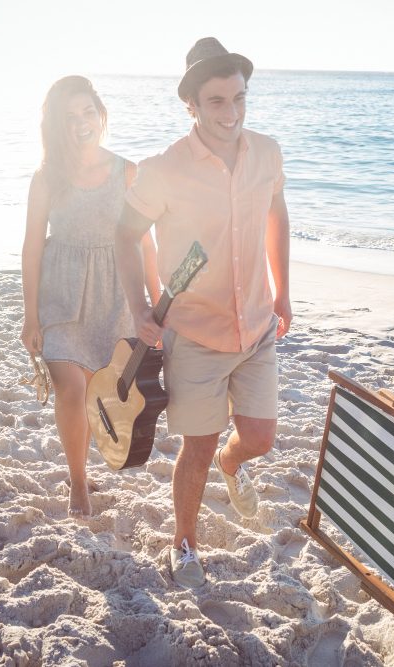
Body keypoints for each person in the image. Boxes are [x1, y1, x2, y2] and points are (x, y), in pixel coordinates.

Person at [116, 38, 291, 588]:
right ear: (190, 104)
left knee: (259, 437)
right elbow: (124, 234)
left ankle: (234, 466)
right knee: (199, 443)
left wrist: (284, 290)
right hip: (193, 333)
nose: (232, 113)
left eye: (239, 98)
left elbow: (276, 213)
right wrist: (140, 306)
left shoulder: (267, 151)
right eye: (217, 101)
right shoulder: (163, 168)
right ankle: (184, 544)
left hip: (258, 325)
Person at [20, 75, 160, 519]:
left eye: (88, 112)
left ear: (101, 115)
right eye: (70, 116)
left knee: (92, 395)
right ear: (57, 125)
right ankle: (78, 483)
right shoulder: (46, 179)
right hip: (60, 293)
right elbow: (31, 246)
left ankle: (81, 469)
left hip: (115, 294)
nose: (81, 122)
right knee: (69, 389)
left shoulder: (128, 171)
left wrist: (157, 303)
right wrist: (30, 316)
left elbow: (146, 244)